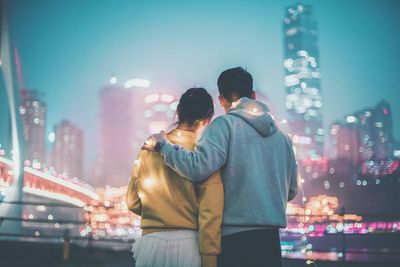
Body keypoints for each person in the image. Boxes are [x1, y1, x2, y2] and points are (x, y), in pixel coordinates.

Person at [144, 67, 300, 267]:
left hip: (235, 241)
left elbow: (197, 167)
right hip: (270, 242)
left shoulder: (224, 126)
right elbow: (292, 189)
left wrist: (163, 146)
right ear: (253, 95)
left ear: (221, 100)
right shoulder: (283, 138)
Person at [126, 87, 224, 267]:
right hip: (188, 245)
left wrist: (158, 213)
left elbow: (132, 201)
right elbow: (210, 213)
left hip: (151, 244)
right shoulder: (204, 155)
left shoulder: (149, 147)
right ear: (207, 120)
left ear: (178, 112)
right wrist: (210, 260)